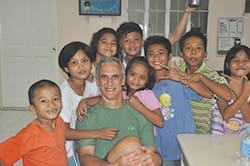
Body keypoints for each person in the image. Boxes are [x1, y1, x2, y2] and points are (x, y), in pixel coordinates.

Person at [76, 56, 161, 166]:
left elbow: (151, 152)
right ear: (97, 81)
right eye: (104, 77)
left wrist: (156, 159)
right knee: (131, 145)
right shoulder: (86, 114)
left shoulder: (140, 112)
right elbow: (85, 158)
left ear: (123, 80)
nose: (109, 82)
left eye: (115, 77)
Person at [144, 35, 212, 166]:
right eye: (151, 54)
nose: (156, 57)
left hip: (187, 144)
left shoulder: (178, 78)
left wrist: (182, 79)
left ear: (169, 56)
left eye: (161, 53)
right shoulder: (146, 85)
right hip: (162, 147)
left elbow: (207, 93)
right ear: (146, 58)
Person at [58, 41, 118, 166]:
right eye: (74, 63)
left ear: (91, 63)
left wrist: (86, 101)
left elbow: (102, 98)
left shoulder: (91, 83)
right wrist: (98, 133)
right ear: (66, 68)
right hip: (67, 151)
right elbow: (65, 133)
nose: (81, 66)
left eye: (84, 61)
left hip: (88, 143)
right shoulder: (63, 94)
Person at [77, 56, 164, 128]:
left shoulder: (147, 94)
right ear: (125, 75)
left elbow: (160, 122)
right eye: (132, 74)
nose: (136, 80)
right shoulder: (122, 92)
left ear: (147, 80)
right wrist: (85, 101)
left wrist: (139, 106)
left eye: (142, 77)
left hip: (144, 139)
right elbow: (102, 99)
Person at [0, 79, 67, 166]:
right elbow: (3, 155)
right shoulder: (29, 135)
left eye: (55, 99)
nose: (51, 104)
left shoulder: (59, 122)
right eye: (43, 101)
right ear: (33, 109)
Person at [187, 45, 250, 135]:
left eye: (246, 60)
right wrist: (244, 93)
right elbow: (226, 115)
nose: (241, 63)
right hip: (218, 141)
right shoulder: (220, 83)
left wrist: (243, 90)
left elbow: (248, 118)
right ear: (228, 64)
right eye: (235, 60)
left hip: (241, 143)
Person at [178, 28, 227, 134]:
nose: (193, 52)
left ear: (205, 53)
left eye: (199, 48)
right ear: (181, 53)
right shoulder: (177, 72)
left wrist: (201, 77)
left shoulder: (212, 75)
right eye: (188, 48)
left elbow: (226, 95)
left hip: (203, 134)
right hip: (180, 131)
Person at [116, 4, 196, 66]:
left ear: (142, 41)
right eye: (127, 41)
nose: (132, 44)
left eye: (136, 39)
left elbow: (176, 36)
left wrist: (186, 12)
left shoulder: (151, 51)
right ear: (120, 43)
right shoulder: (118, 62)